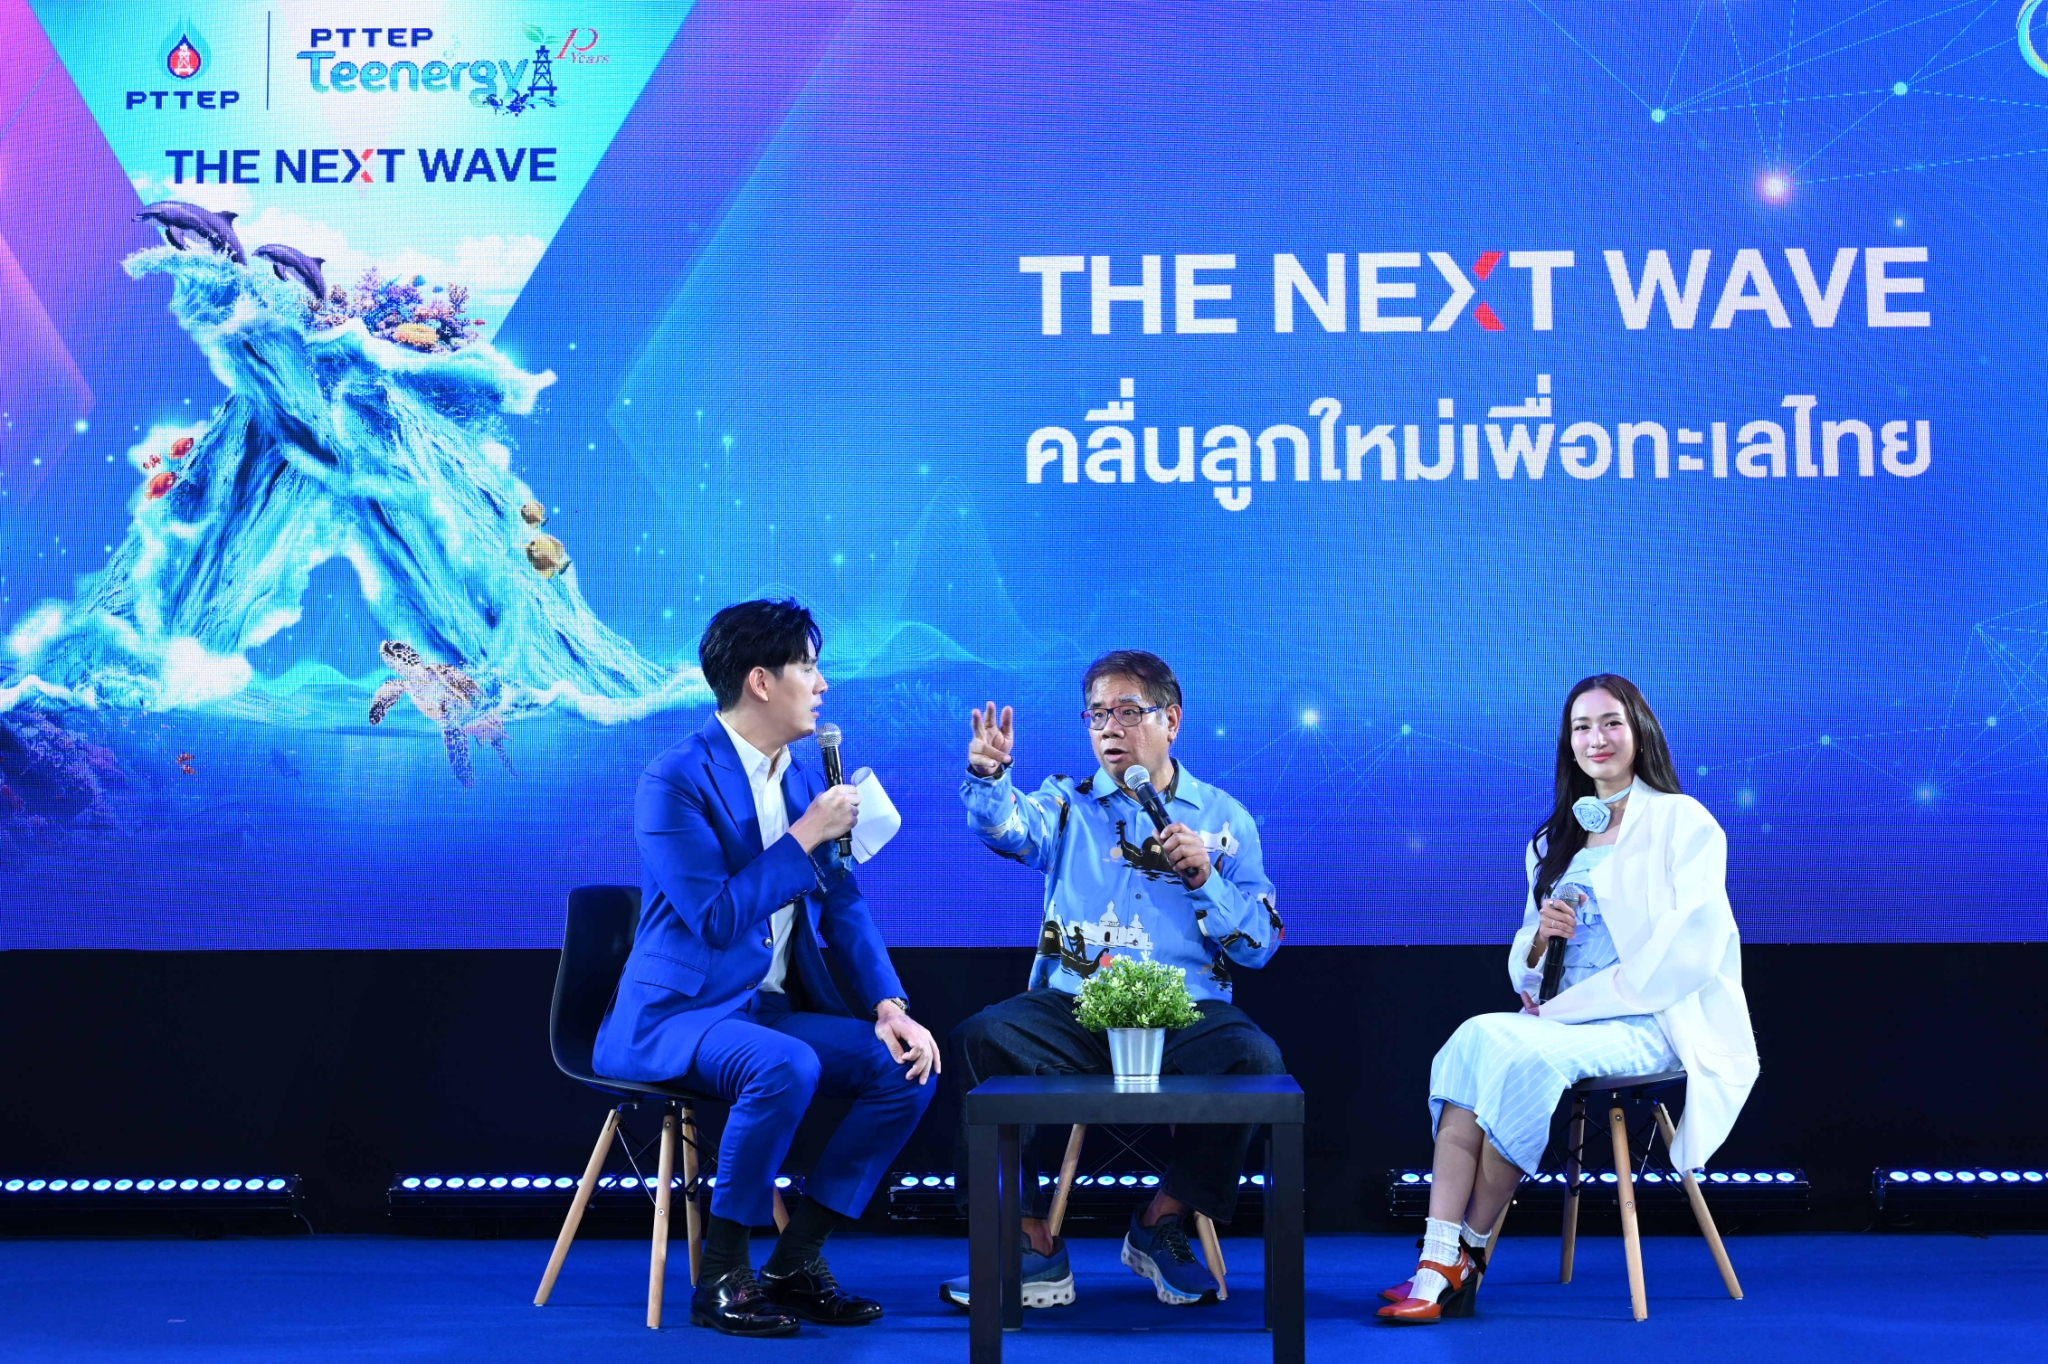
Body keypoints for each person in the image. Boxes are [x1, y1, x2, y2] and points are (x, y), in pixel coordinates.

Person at [592, 599, 941, 1337]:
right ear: (760, 681)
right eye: (807, 668)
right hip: (681, 1015)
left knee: (905, 1067)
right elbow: (716, 916)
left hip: (770, 1012)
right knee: (783, 1065)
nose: (822, 685)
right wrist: (807, 834)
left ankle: (795, 1260)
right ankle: (722, 1275)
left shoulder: (801, 780)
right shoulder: (675, 778)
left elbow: (843, 906)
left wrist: (890, 1006)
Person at [1376, 674, 1759, 1324]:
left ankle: (1464, 1252)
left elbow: (1690, 950)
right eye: (1582, 727)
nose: (1596, 739)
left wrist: (1570, 1005)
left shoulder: (1682, 822)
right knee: (1475, 1036)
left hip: (1646, 1020)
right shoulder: (1551, 841)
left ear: (1639, 730)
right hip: (1561, 1019)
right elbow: (1528, 973)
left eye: (1610, 723)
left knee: (1520, 1055)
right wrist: (1541, 941)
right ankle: (1439, 1257)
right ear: (1568, 742)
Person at [938, 650, 1286, 1311]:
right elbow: (1008, 828)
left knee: (1255, 1060)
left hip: (1184, 1012)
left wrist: (1206, 880)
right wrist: (988, 776)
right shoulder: (1065, 803)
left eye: (1128, 712)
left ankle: (1163, 1219)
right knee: (981, 1038)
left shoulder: (1224, 819)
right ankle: (1028, 1239)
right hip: (1076, 1006)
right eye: (1097, 714)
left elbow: (1259, 946)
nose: (1110, 728)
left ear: (1171, 721)